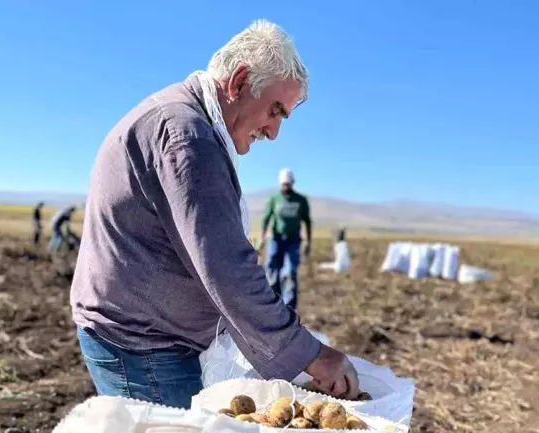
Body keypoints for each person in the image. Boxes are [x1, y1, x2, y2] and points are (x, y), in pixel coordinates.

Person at [70, 20, 360, 409]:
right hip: (143, 346)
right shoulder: (186, 136)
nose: (273, 132)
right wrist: (312, 355)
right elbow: (226, 267)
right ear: (239, 82)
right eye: (275, 111)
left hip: (151, 338)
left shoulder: (187, 121)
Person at [260, 168, 311, 311]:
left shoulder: (301, 200)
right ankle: (273, 304)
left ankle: (289, 309)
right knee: (271, 269)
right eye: (284, 185)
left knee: (289, 272)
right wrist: (262, 238)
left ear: (292, 183)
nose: (286, 188)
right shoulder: (274, 200)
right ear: (280, 184)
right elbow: (266, 218)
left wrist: (308, 241)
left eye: (288, 185)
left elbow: (307, 221)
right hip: (276, 239)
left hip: (293, 240)